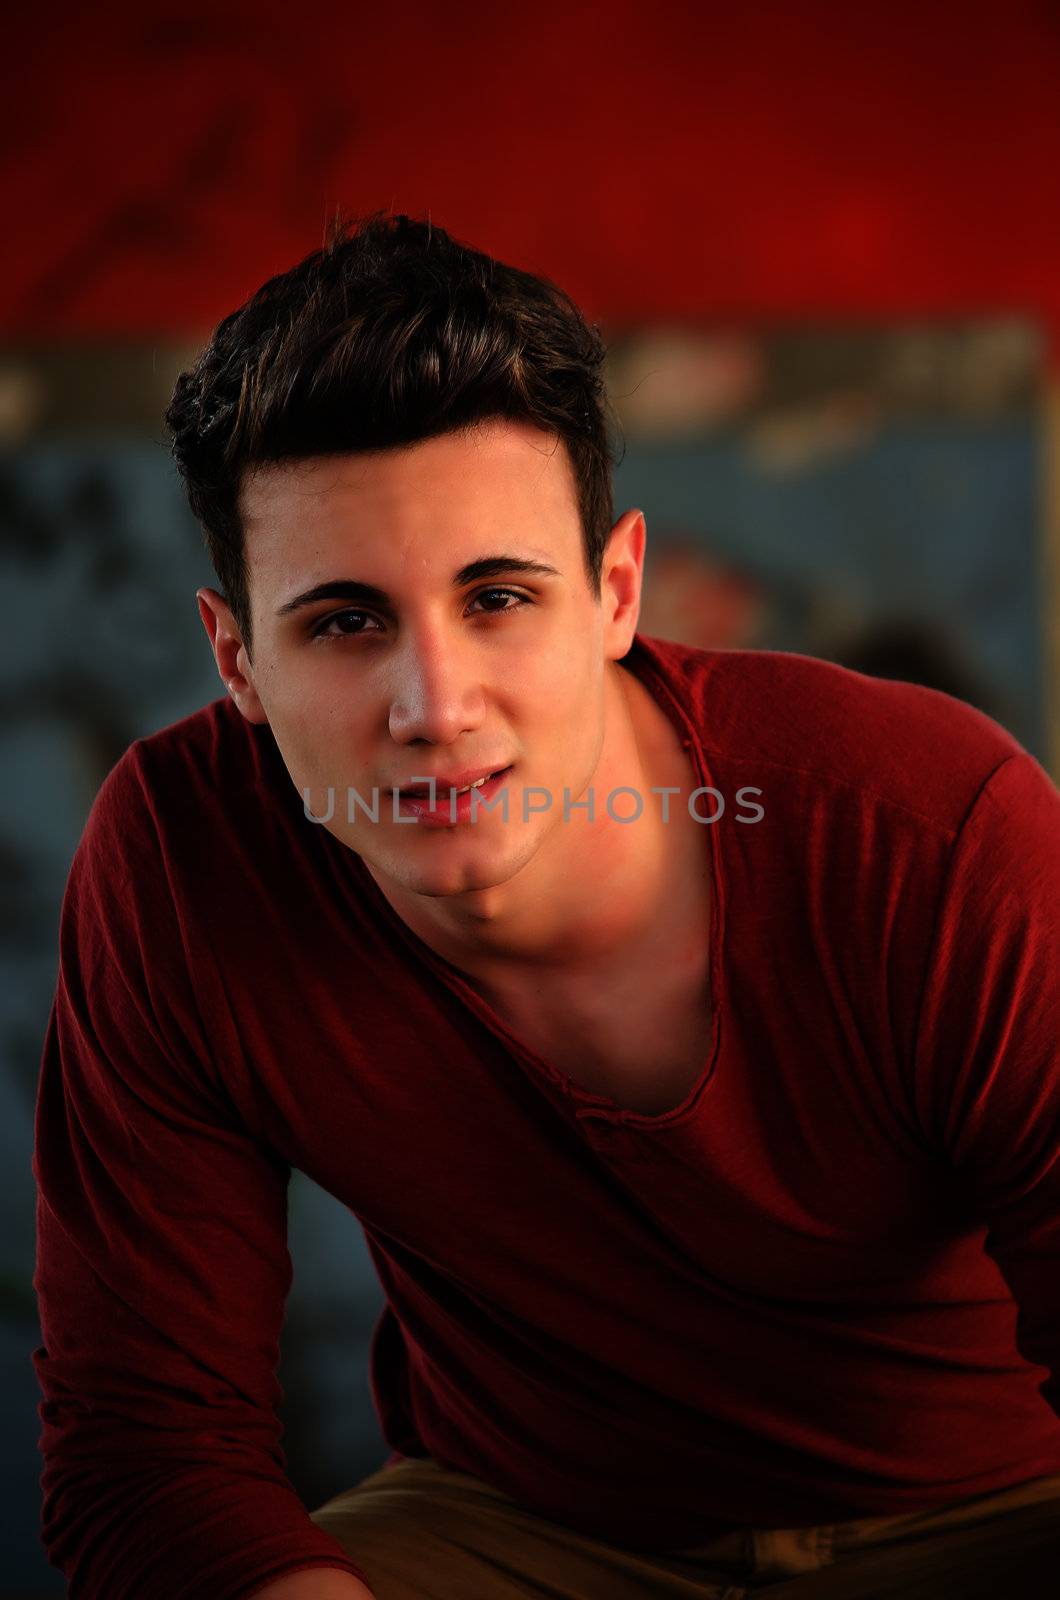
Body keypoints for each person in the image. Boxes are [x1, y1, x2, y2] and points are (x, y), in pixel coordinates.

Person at [32, 213, 1060, 1599]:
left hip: (999, 1513)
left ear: (615, 590)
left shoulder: (924, 831)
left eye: (499, 597)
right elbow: (144, 1446)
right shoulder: (179, 860)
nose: (436, 708)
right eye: (344, 621)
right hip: (532, 1530)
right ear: (238, 658)